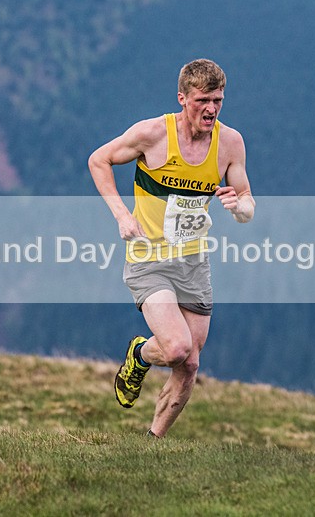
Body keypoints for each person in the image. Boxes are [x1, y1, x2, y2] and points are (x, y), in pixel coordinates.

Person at [88, 58, 255, 438]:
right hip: (149, 258)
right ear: (182, 98)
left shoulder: (230, 143)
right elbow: (98, 160)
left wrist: (238, 207)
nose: (211, 109)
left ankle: (153, 444)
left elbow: (246, 201)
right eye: (202, 101)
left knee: (190, 364)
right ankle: (141, 355)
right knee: (178, 348)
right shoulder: (152, 134)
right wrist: (121, 215)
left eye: (218, 100)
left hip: (194, 263)